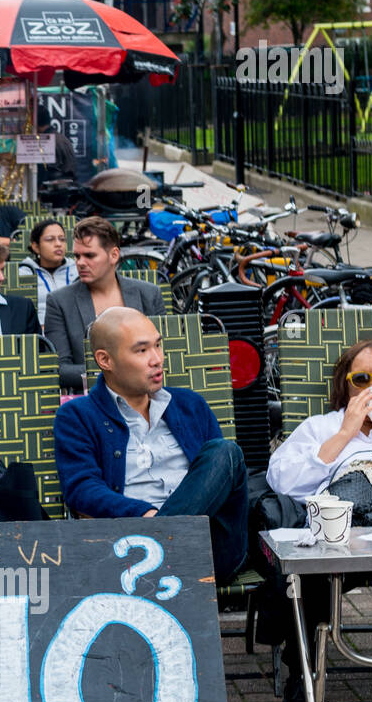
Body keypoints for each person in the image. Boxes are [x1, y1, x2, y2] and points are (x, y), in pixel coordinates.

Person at [263, 338, 372, 702]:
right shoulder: (321, 427)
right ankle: (302, 680)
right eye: (362, 378)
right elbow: (282, 481)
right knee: (310, 575)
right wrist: (344, 433)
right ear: (346, 387)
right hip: (344, 538)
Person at [53, 307, 249, 584]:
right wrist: (144, 514)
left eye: (158, 345)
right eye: (141, 351)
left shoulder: (190, 406)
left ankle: (162, 542)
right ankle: (162, 539)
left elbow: (216, 481)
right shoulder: (78, 416)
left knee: (226, 453)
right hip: (127, 549)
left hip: (208, 548)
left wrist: (162, 527)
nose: (157, 359)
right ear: (105, 360)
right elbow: (81, 489)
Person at [44, 217, 166, 393]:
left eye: (89, 255)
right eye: (77, 256)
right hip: (93, 399)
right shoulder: (60, 301)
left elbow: (165, 353)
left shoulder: (148, 294)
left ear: (114, 255)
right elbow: (59, 370)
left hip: (147, 395)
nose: (80, 262)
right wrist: (119, 373)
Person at [20, 219, 77, 329]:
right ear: (36, 246)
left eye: (62, 239)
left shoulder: (78, 270)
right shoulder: (23, 274)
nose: (58, 244)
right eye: (50, 240)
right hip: (39, 334)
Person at [36, 106, 77, 187]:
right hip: (66, 190)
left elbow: (45, 175)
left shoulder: (45, 142)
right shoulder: (62, 138)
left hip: (54, 192)